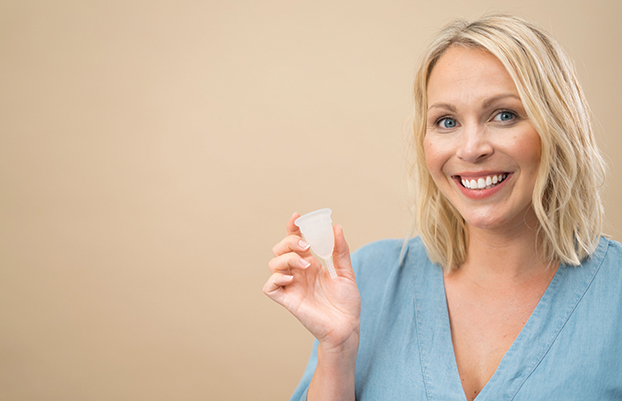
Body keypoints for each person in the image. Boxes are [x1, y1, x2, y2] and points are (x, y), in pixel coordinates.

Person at [263, 14, 622, 401]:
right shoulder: (367, 280)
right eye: (447, 121)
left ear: (558, 125)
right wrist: (337, 349)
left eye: (504, 115)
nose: (470, 149)